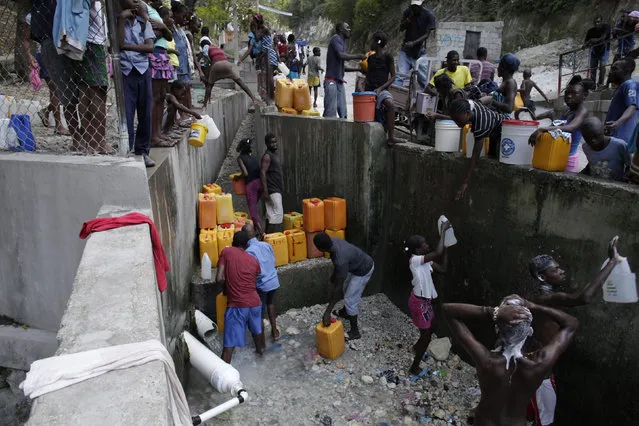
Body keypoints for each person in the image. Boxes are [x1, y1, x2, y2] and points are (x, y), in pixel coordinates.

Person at [525, 237, 621, 426]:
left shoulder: (540, 296)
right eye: (555, 269)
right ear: (542, 277)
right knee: (544, 420)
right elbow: (584, 297)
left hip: (537, 364)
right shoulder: (548, 297)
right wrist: (612, 262)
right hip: (539, 370)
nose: (562, 271)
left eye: (560, 268)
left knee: (533, 414)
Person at [443, 295, 578, 426]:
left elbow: (447, 310)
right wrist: (532, 306)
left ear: (497, 329)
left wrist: (493, 312)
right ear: (529, 331)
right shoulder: (539, 363)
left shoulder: (487, 360)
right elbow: (572, 324)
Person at [404, 221, 451, 376]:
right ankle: (414, 367)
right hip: (419, 302)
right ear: (417, 249)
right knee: (426, 336)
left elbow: (443, 269)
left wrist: (446, 248)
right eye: (424, 244)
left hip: (426, 302)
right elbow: (436, 253)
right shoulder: (415, 260)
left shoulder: (425, 261)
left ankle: (417, 347)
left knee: (432, 327)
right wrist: (443, 232)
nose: (427, 245)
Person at [216, 231, 265, 364]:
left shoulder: (227, 252)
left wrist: (227, 288)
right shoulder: (254, 260)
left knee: (229, 347)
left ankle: (221, 377)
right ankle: (262, 361)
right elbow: (253, 279)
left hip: (237, 305)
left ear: (233, 243)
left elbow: (219, 278)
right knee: (257, 334)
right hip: (255, 304)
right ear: (247, 245)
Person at [314, 233, 375, 340]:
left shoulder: (341, 260)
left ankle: (355, 332)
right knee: (346, 289)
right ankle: (345, 312)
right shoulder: (334, 242)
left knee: (350, 299)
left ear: (321, 249)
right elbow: (337, 264)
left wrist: (327, 312)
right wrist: (334, 275)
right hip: (354, 265)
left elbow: (337, 289)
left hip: (363, 270)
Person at [119, 0, 155, 167]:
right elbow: (118, 43)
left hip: (142, 69)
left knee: (145, 112)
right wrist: (121, 19)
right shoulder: (117, 20)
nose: (135, 3)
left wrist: (127, 46)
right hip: (126, 71)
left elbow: (150, 47)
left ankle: (142, 151)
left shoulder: (143, 22)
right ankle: (127, 149)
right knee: (127, 112)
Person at [23, 11, 69, 136]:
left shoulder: (60, 9)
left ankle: (47, 110)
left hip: (63, 52)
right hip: (44, 53)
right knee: (55, 88)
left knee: (63, 89)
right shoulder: (31, 16)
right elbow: (26, 39)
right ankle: (59, 125)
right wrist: (29, 56)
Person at [528, 79, 590, 172]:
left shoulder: (582, 111)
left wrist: (542, 129)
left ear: (584, 95)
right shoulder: (568, 110)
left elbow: (570, 127)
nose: (569, 96)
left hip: (568, 158)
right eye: (567, 93)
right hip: (557, 153)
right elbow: (559, 128)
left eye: (574, 93)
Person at [449, 98, 504, 199]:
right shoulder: (472, 105)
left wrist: (466, 181)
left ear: (467, 114)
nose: (456, 123)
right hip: (494, 128)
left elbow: (475, 155)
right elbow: (488, 98)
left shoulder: (481, 126)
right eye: (454, 120)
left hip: (502, 135)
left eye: (457, 120)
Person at [243, 223, 281, 342]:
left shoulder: (248, 252)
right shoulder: (266, 245)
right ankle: (274, 332)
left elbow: (251, 272)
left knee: (259, 312)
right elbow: (273, 261)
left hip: (262, 284)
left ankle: (261, 340)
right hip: (273, 281)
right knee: (271, 303)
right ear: (254, 232)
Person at [144, 1, 175, 148]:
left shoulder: (152, 10)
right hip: (155, 53)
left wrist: (164, 28)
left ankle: (158, 132)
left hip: (161, 54)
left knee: (161, 97)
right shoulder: (143, 6)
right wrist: (163, 29)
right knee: (155, 97)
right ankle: (153, 136)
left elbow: (168, 34)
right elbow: (153, 32)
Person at [479, 53, 520, 156]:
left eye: (499, 65)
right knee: (491, 154)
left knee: (497, 155)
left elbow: (509, 108)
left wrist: (491, 101)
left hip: (503, 125)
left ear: (504, 68)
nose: (497, 68)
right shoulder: (505, 82)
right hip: (496, 123)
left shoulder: (511, 83)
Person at [365, 31, 401, 146]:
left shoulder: (388, 57)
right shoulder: (370, 58)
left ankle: (391, 136)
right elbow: (368, 76)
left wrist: (380, 89)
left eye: (372, 40)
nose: (370, 43)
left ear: (378, 42)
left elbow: (393, 76)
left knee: (390, 104)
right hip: (370, 90)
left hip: (382, 90)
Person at [323, 22, 366, 119]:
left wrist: (358, 69)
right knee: (330, 113)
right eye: (347, 28)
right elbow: (342, 56)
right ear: (341, 29)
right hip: (331, 81)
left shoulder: (342, 43)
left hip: (339, 82)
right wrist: (358, 56)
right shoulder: (336, 39)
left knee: (343, 112)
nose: (349, 30)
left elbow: (342, 67)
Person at [202, 42, 258, 107]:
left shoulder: (207, 48)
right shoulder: (218, 49)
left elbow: (208, 63)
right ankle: (253, 99)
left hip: (216, 65)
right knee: (240, 82)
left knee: (209, 85)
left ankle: (204, 105)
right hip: (227, 64)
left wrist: (207, 77)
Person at [580, 116, 631, 181]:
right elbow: (592, 163)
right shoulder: (586, 147)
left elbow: (629, 166)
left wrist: (624, 180)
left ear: (604, 130)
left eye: (596, 136)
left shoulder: (619, 146)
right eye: (587, 138)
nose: (593, 140)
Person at [398, 0, 437, 78]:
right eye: (413, 6)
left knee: (423, 78)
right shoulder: (407, 12)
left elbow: (427, 34)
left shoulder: (429, 15)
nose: (415, 8)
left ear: (422, 5)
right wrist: (409, 18)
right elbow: (401, 28)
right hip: (406, 51)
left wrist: (413, 43)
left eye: (417, 6)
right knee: (399, 76)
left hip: (420, 51)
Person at [605, 58, 638, 145]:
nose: (610, 72)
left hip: (620, 140)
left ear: (625, 71)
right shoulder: (621, 87)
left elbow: (632, 107)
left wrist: (617, 123)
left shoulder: (630, 84)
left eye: (615, 69)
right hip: (614, 138)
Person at [236, 138, 265, 236]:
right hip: (259, 183)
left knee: (253, 212)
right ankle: (257, 230)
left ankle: (262, 234)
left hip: (251, 185)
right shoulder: (252, 157)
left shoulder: (240, 158)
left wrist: (237, 177)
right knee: (254, 208)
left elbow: (245, 173)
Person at [260, 133, 284, 234]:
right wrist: (265, 191)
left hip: (275, 188)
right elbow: (262, 172)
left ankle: (265, 237)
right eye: (272, 143)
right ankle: (272, 237)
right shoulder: (267, 156)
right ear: (267, 144)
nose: (274, 144)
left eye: (275, 142)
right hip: (272, 190)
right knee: (278, 214)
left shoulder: (274, 155)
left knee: (270, 215)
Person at [584, 16, 611, 88]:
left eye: (598, 22)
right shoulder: (591, 31)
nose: (597, 24)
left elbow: (603, 38)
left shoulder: (606, 27)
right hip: (594, 50)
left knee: (602, 66)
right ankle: (592, 85)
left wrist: (592, 40)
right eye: (595, 22)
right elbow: (585, 43)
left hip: (604, 49)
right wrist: (587, 43)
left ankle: (600, 84)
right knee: (593, 68)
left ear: (602, 22)